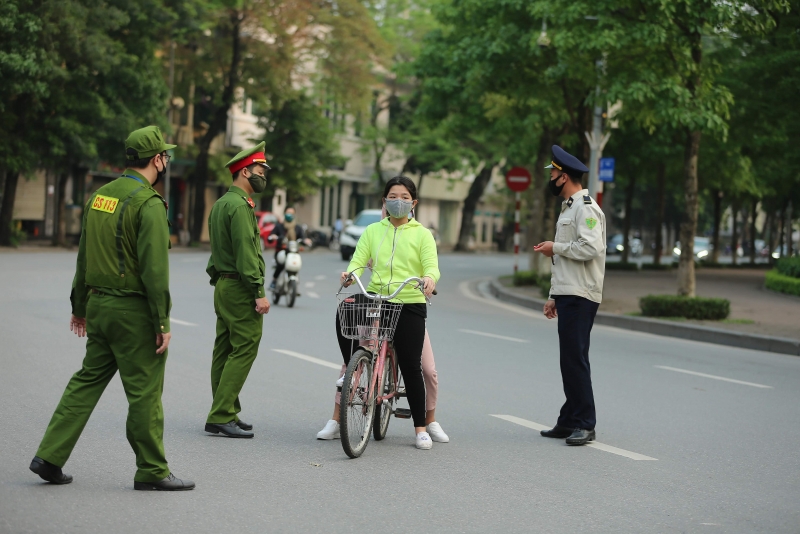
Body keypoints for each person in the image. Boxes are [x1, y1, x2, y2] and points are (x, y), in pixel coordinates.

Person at [29, 126, 194, 491]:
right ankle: (151, 470)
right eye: (165, 155)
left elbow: (84, 256)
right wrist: (162, 321)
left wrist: (80, 306)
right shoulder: (148, 203)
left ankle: (49, 456)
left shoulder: (99, 196)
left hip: (100, 308)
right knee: (146, 392)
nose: (166, 160)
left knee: (85, 383)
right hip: (132, 313)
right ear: (157, 160)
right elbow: (154, 271)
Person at [318, 175, 439, 450]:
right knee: (346, 309)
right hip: (377, 299)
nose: (399, 202)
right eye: (393, 197)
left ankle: (420, 428)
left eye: (405, 198)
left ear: (414, 203)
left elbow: (431, 265)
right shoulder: (373, 231)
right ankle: (355, 367)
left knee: (412, 365)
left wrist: (430, 279)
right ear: (384, 201)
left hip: (408, 301)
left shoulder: (422, 234)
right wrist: (350, 275)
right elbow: (359, 262)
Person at [533, 145, 606, 446]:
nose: (550, 178)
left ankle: (585, 424)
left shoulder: (586, 208)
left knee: (575, 359)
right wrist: (554, 295)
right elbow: (563, 263)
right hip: (569, 293)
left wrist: (555, 247)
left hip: (582, 295)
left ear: (564, 177)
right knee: (569, 360)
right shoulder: (569, 208)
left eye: (553, 173)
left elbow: (591, 249)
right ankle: (568, 420)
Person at [205, 142, 271, 438]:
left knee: (224, 349)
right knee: (244, 347)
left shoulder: (221, 204)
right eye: (259, 171)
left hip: (224, 285)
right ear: (245, 171)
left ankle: (225, 410)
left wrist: (220, 282)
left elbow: (216, 250)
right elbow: (246, 252)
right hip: (241, 287)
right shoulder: (240, 206)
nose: (262, 177)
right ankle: (221, 414)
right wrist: (257, 290)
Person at [317, 329, 450, 443]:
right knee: (352, 363)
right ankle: (336, 420)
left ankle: (430, 420)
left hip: (406, 312)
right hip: (375, 315)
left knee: (429, 371)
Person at [268, 207, 308, 291]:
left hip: (293, 252)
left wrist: (306, 241)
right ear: (284, 214)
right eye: (288, 213)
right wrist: (273, 237)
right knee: (280, 265)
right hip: (281, 251)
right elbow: (271, 236)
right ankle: (274, 281)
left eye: (291, 213)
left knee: (295, 265)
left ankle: (295, 285)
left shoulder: (297, 228)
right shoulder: (279, 226)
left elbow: (303, 238)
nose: (289, 215)